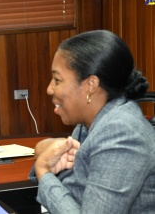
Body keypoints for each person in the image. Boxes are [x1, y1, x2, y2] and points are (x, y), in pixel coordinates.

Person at [30, 30, 155, 213]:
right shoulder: (92, 123)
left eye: (57, 80)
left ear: (91, 85)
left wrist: (44, 173)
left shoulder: (121, 132)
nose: (50, 89)